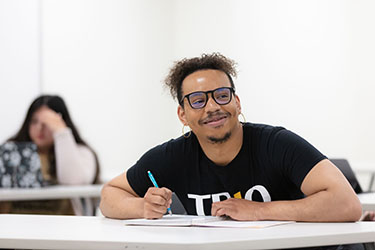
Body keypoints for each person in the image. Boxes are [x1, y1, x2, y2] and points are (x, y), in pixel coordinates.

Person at [100, 53, 362, 223]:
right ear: (183, 114)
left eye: (222, 95)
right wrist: (142, 208)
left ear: (236, 102)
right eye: (198, 100)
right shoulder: (172, 156)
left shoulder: (276, 144)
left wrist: (258, 211)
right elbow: (110, 195)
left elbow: (347, 204)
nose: (212, 107)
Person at [0, 95, 100, 215]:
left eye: (47, 123)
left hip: (63, 224)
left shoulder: (82, 153)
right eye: (34, 121)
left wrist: (61, 132)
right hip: (16, 223)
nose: (39, 128)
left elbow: (74, 180)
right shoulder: (10, 152)